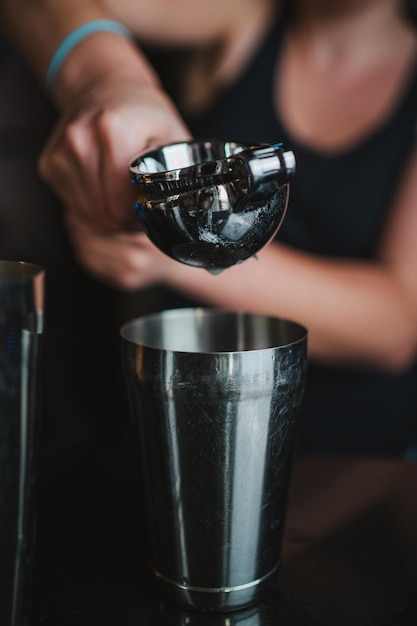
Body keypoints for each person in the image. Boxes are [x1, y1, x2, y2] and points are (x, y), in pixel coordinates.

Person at [2, 0, 417, 456]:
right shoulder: (239, 15)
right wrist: (108, 79)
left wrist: (176, 251)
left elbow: (397, 324)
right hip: (175, 420)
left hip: (361, 459)